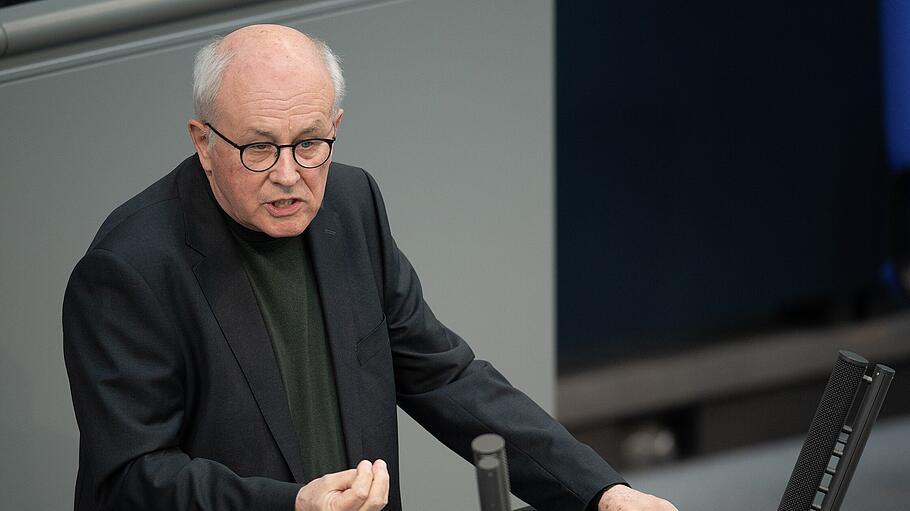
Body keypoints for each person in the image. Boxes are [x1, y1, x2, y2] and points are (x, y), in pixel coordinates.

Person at [62, 24, 677, 511]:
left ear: (335, 129)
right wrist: (288, 506)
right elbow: (130, 479)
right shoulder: (129, 270)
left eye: (308, 143)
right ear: (203, 141)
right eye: (258, 147)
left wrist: (600, 493)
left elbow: (444, 377)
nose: (287, 174)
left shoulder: (350, 208)